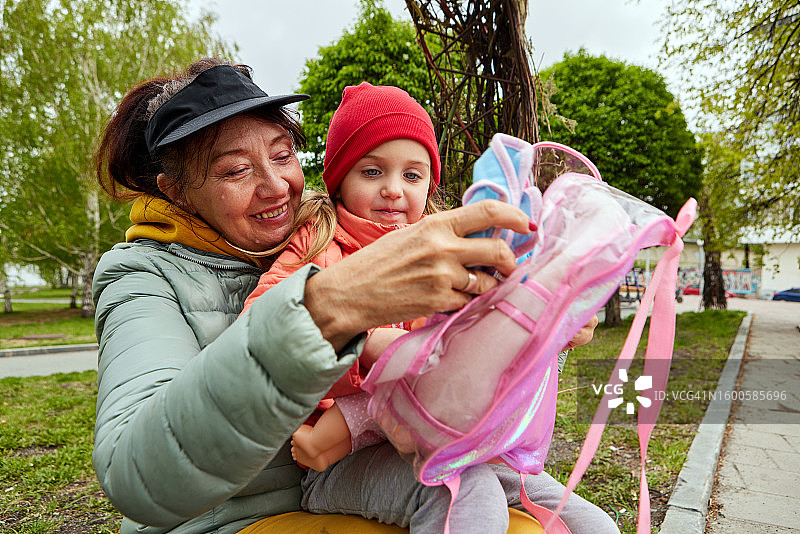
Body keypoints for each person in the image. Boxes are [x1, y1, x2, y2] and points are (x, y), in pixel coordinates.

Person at [90, 57, 611, 534]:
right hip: (234, 518)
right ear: (176, 190)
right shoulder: (144, 276)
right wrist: (340, 314)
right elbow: (136, 472)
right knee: (473, 506)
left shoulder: (347, 232)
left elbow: (468, 357)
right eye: (235, 170)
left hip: (394, 460)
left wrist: (547, 327)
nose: (275, 186)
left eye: (283, 155)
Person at [241, 82, 442, 472]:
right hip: (339, 455)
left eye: (413, 176)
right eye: (372, 171)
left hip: (423, 430)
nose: (393, 190)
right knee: (461, 492)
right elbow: (260, 320)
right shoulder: (318, 243)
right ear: (339, 181)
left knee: (559, 505)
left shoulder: (439, 249)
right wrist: (361, 343)